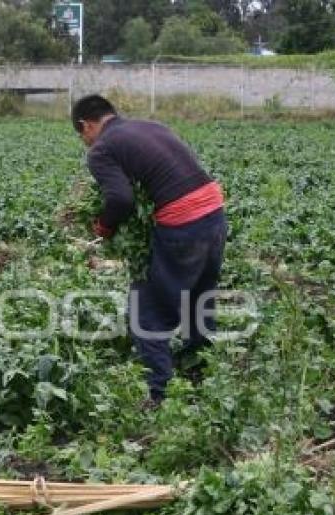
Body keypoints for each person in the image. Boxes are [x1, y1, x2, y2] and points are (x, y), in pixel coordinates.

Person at [72, 95, 227, 406]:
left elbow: (121, 199)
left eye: (82, 136)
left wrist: (103, 226)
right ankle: (202, 376)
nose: (86, 143)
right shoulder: (150, 126)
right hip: (215, 214)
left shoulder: (101, 149)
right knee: (198, 300)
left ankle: (161, 395)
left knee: (146, 312)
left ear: (85, 125)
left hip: (184, 223)